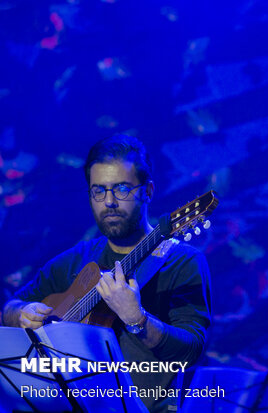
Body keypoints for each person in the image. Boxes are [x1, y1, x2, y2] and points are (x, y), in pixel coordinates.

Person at [2, 135, 211, 412]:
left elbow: (192, 350)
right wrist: (20, 313)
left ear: (148, 191)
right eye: (98, 191)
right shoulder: (76, 258)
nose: (109, 202)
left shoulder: (182, 262)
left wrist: (137, 319)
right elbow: (10, 306)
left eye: (122, 189)